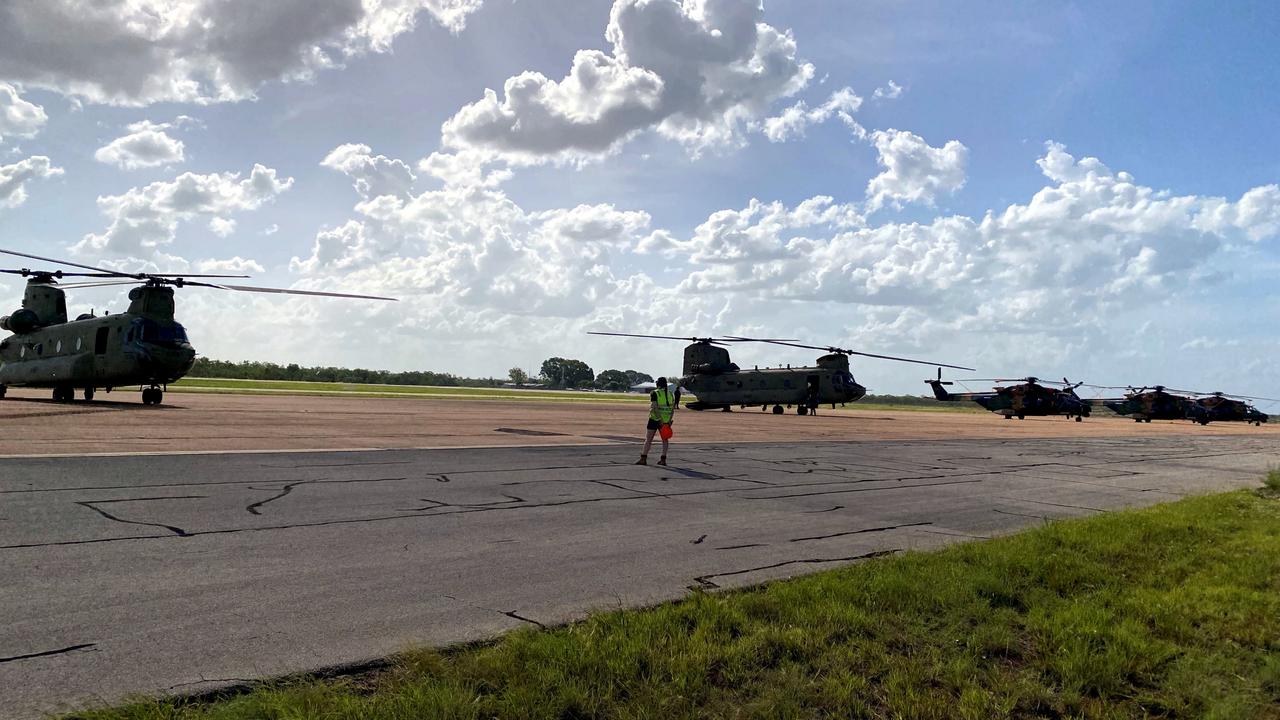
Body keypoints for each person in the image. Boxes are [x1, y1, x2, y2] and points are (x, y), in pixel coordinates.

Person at [637, 376, 679, 466]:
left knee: (648, 439)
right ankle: (663, 459)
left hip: (655, 419)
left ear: (658, 384)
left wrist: (659, 419)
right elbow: (672, 409)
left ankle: (643, 458)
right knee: (665, 440)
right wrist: (669, 420)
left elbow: (655, 407)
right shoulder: (671, 394)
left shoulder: (655, 393)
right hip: (666, 421)